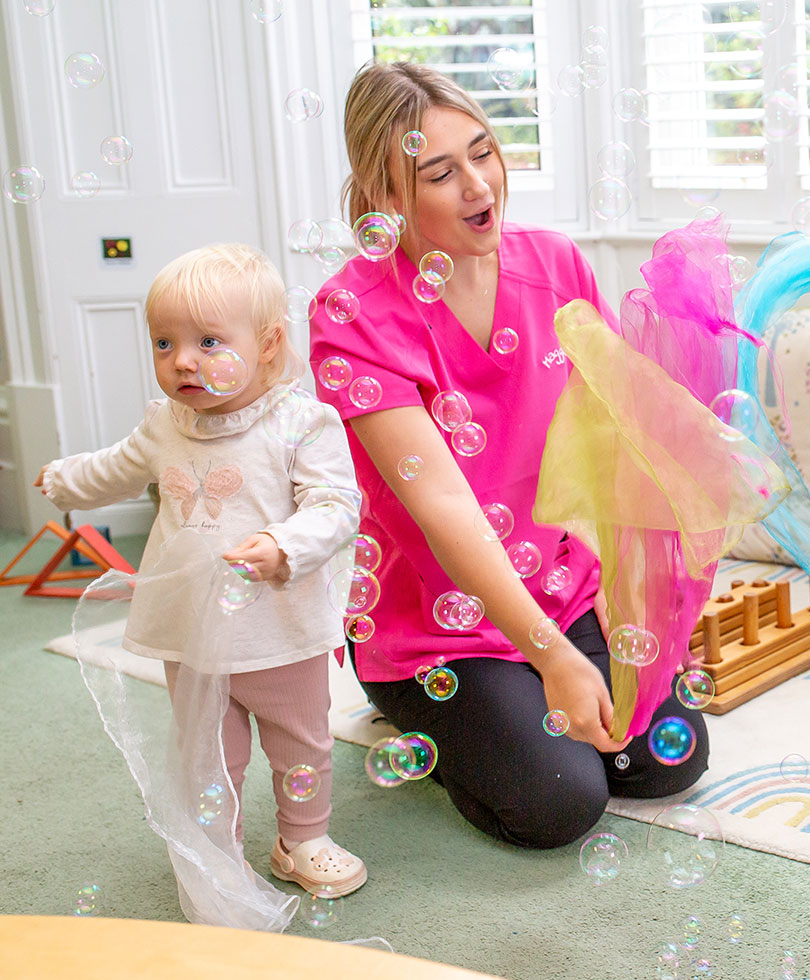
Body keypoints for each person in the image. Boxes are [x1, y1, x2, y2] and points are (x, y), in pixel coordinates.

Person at [308, 61, 709, 849]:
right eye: (440, 173)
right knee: (558, 803)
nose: (478, 185)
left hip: (556, 583)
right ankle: (430, 716)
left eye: (485, 153)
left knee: (670, 763)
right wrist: (553, 659)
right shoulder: (353, 314)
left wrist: (624, 583)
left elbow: (606, 438)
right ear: (389, 197)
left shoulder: (557, 265)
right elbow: (445, 507)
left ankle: (520, 701)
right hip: (433, 624)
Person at [37, 243, 368, 900]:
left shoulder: (300, 421)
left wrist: (283, 544)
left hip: (282, 626)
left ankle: (301, 839)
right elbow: (117, 465)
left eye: (208, 340)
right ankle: (215, 853)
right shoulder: (167, 423)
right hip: (190, 631)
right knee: (207, 753)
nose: (182, 359)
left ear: (269, 344)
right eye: (164, 343)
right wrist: (64, 477)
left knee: (301, 741)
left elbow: (336, 505)